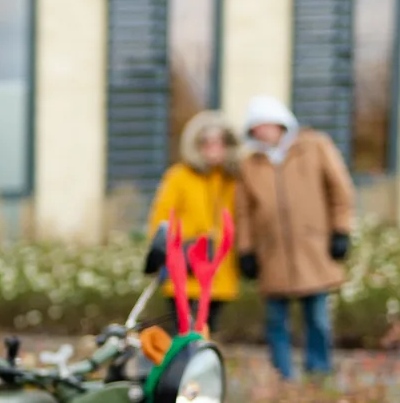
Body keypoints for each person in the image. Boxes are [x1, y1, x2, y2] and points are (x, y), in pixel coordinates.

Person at [238, 94, 354, 378]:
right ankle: (284, 377)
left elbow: (340, 191)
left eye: (266, 125)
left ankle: (319, 371)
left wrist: (341, 230)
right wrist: (246, 250)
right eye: (256, 128)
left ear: (280, 123)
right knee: (276, 321)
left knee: (317, 317)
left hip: (313, 248)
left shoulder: (315, 147)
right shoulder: (250, 165)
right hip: (272, 253)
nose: (262, 132)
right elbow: (243, 213)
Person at [143, 110, 241, 328]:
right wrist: (166, 254)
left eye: (220, 142)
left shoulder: (232, 180)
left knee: (208, 330)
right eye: (207, 143)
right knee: (183, 331)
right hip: (185, 270)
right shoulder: (179, 177)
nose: (214, 149)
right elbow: (161, 219)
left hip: (219, 272)